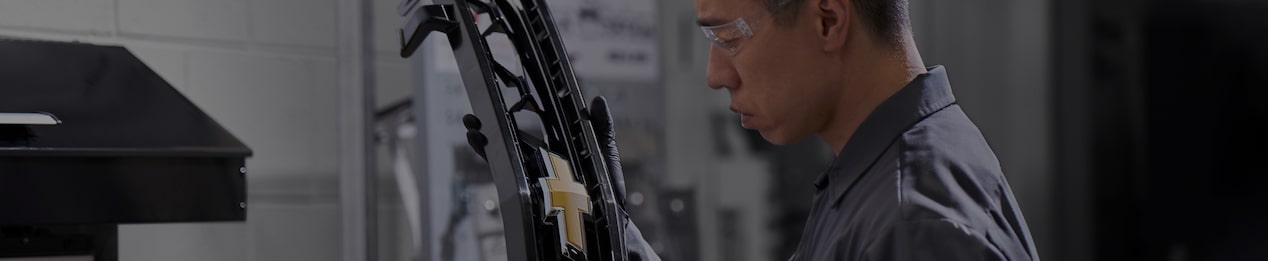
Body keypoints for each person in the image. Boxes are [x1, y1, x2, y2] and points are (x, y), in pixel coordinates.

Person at [689, 0, 1042, 259]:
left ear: (828, 21)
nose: (715, 76)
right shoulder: (881, 174)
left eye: (729, 37)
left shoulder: (912, 227)